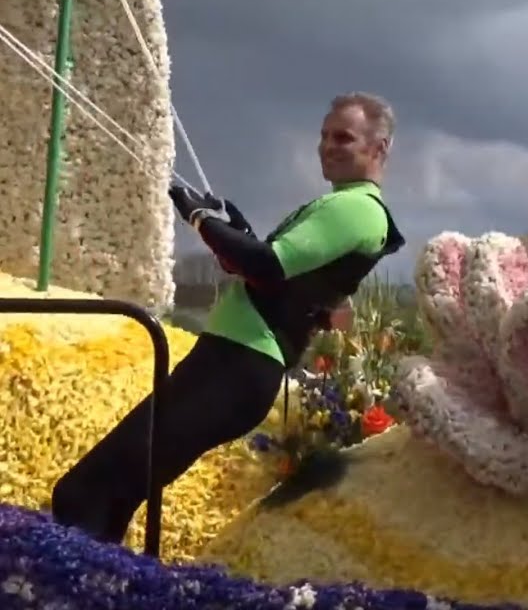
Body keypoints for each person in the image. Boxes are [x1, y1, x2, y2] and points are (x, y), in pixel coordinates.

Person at [50, 92, 406, 545]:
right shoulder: (348, 207)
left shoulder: (354, 208)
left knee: (85, 494)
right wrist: (236, 234)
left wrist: (199, 219)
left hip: (236, 368)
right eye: (324, 135)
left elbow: (265, 265)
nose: (327, 146)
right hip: (232, 364)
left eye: (344, 137)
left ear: (379, 149)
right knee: (110, 497)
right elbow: (273, 276)